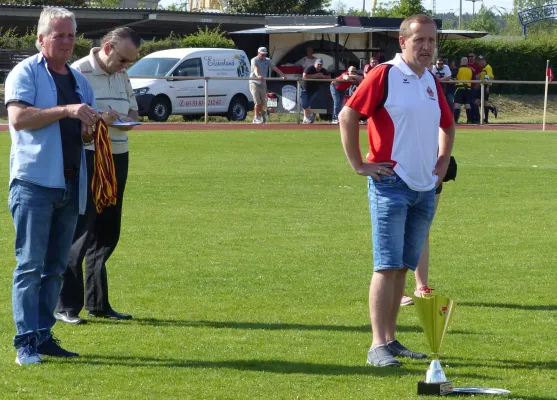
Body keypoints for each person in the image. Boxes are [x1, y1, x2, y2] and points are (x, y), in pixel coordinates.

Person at [338, 14, 455, 367]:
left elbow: (447, 124)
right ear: (402, 42)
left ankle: (390, 340)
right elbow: (347, 116)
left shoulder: (430, 80)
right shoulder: (385, 74)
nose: (426, 46)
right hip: (391, 184)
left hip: (423, 188)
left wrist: (442, 162)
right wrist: (359, 165)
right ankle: (377, 346)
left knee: (403, 267)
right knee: (386, 266)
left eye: (431, 41)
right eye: (419, 40)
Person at [4, 6, 109, 365]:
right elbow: (18, 118)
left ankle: (44, 335)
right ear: (41, 39)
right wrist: (67, 111)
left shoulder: (79, 80)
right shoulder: (25, 72)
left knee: (55, 268)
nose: (67, 41)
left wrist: (92, 124)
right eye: (59, 35)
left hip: (70, 183)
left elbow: (85, 130)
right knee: (30, 266)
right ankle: (25, 343)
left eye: (70, 35)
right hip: (33, 184)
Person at [55, 27, 140, 325]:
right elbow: (71, 116)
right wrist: (99, 118)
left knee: (107, 229)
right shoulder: (77, 72)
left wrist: (125, 119)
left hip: (118, 155)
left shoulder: (122, 74)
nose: (125, 67)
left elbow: (132, 107)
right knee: (81, 228)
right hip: (88, 157)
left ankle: (98, 302)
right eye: (123, 60)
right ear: (107, 47)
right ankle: (65, 305)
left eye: (129, 62)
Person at [400, 156, 457, 307]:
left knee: (422, 231)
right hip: (399, 172)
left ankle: (421, 286)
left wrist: (444, 161)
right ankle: (395, 289)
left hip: (430, 172)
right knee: (398, 232)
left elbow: (446, 132)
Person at [249, 46, 286, 124]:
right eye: (262, 54)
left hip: (263, 83)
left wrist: (282, 75)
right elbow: (255, 68)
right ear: (258, 53)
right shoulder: (254, 60)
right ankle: (256, 118)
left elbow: (274, 68)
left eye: (264, 54)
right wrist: (258, 75)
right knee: (257, 102)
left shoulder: (267, 60)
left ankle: (263, 113)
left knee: (263, 103)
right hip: (254, 82)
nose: (263, 56)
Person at [301, 58, 331, 124]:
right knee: (304, 104)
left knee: (308, 104)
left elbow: (329, 77)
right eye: (318, 64)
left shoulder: (323, 70)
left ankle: (306, 118)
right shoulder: (309, 68)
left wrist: (323, 76)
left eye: (320, 65)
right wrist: (315, 75)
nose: (319, 66)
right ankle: (311, 114)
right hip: (304, 89)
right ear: (315, 64)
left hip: (314, 90)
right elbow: (304, 76)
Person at [475, 55, 498, 124]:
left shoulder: (488, 67)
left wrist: (488, 86)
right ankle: (492, 109)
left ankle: (486, 119)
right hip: (482, 86)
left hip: (486, 86)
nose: (478, 64)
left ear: (482, 61)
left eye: (478, 62)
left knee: (485, 102)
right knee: (477, 102)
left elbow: (490, 77)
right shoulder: (483, 68)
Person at [453, 56, 473, 124]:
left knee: (457, 104)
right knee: (468, 104)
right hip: (468, 88)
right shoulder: (470, 70)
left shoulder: (458, 69)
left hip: (459, 87)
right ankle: (469, 120)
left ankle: (455, 120)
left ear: (461, 62)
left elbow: (455, 77)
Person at [466, 52, 481, 123]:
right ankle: (470, 119)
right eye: (469, 56)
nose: (470, 58)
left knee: (474, 103)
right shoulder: (465, 65)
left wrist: (476, 86)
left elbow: (478, 76)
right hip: (467, 87)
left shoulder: (477, 65)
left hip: (474, 87)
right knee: (468, 103)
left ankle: (477, 118)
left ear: (474, 57)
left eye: (472, 56)